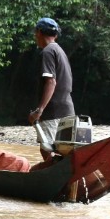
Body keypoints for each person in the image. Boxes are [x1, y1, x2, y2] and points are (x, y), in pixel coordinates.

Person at [27, 17, 74, 160]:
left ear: (39, 32)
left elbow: (51, 82)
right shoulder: (60, 50)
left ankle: (54, 179)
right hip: (67, 109)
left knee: (46, 148)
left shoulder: (47, 51)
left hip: (53, 111)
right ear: (56, 35)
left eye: (36, 33)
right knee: (64, 150)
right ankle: (67, 179)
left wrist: (39, 110)